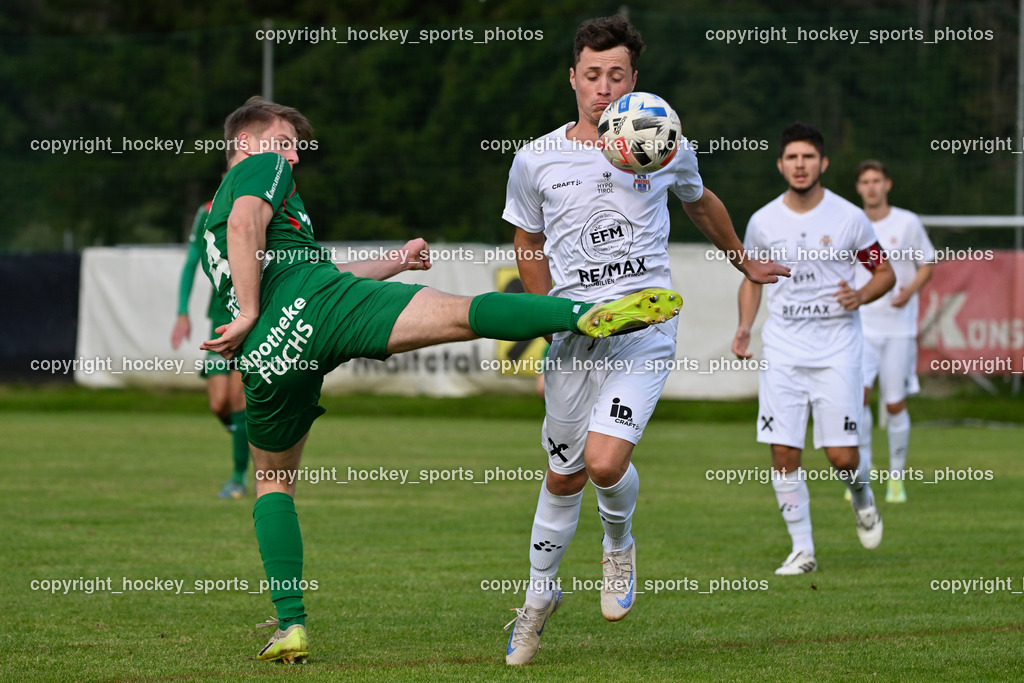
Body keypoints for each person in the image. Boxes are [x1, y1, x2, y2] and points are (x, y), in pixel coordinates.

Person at [199, 95, 686, 664]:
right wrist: (251, 309)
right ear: (248, 142)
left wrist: (394, 262)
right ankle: (577, 315)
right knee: (462, 314)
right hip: (309, 309)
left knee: (273, 480)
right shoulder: (259, 168)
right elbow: (245, 223)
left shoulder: (222, 213)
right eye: (285, 142)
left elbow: (304, 265)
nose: (293, 157)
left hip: (270, 353)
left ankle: (291, 625)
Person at [502, 15, 789, 666]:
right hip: (577, 334)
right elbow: (527, 240)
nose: (605, 88)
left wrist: (742, 259)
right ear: (573, 78)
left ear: (635, 80)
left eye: (618, 75)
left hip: (646, 326)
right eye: (594, 75)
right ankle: (538, 598)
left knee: (604, 463)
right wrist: (549, 318)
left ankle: (618, 542)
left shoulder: (663, 139)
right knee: (563, 473)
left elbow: (700, 201)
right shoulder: (536, 158)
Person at [732, 122, 896, 576]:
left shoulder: (848, 218)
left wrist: (860, 295)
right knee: (783, 451)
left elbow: (884, 274)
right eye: (791, 158)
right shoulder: (763, 221)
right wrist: (745, 326)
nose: (799, 165)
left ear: (822, 163)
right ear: (781, 165)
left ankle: (862, 496)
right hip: (783, 349)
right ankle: (802, 549)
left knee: (842, 456)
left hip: (837, 350)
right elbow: (752, 279)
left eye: (808, 157)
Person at [853, 160, 934, 503]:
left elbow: (926, 263)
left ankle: (896, 478)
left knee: (895, 403)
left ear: (887, 184)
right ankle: (864, 475)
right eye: (865, 181)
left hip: (898, 329)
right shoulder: (851, 222)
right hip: (861, 327)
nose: (871, 187)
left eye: (877, 180)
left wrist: (908, 291)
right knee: (859, 399)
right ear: (858, 187)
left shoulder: (907, 222)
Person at [171, 194, 250, 499]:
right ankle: (247, 438)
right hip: (220, 315)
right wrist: (182, 311)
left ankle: (238, 476)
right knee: (220, 404)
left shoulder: (263, 204)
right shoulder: (207, 211)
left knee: (238, 399)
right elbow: (193, 261)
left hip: (252, 316)